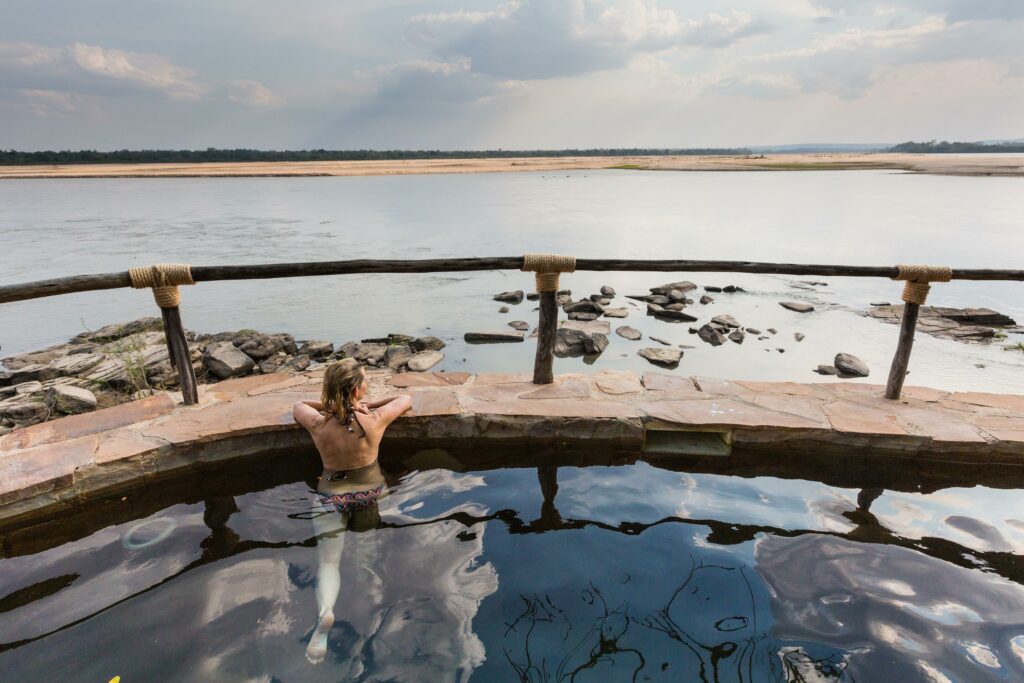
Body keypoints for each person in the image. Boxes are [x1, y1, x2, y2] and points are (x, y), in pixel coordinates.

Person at [292, 359, 412, 665]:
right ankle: (368, 592)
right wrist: (367, 404)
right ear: (359, 389)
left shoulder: (318, 424)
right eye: (366, 382)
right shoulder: (375, 419)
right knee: (364, 545)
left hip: (330, 497)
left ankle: (325, 613)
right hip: (368, 495)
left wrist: (332, 404)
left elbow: (298, 404)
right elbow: (406, 399)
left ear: (331, 389)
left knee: (329, 563)